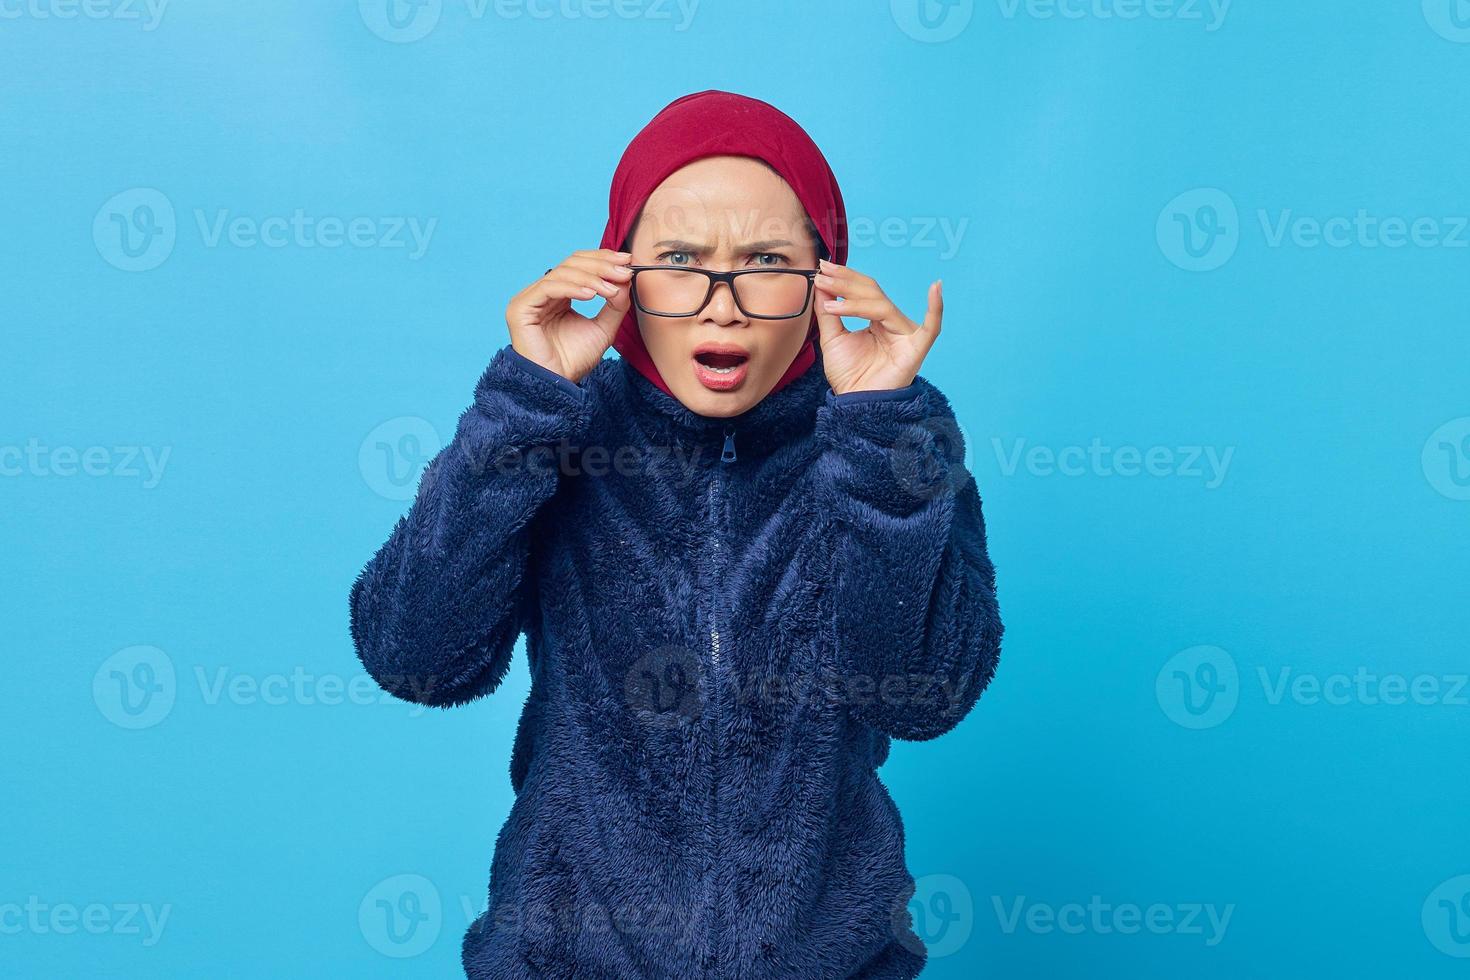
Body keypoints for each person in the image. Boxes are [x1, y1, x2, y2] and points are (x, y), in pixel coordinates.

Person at [349, 89, 1004, 980]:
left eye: (766, 259)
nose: (721, 305)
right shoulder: (556, 424)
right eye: (680, 259)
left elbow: (928, 698)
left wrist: (882, 436)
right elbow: (413, 654)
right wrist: (522, 410)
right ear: (618, 274)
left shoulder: (890, 438)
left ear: (826, 274)